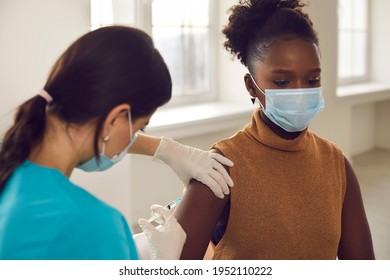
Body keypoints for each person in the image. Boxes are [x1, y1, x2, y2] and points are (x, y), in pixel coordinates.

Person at [0, 26, 234, 260]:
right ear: (115, 119)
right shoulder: (92, 224)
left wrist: (164, 148)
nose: (134, 136)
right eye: (139, 127)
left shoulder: (10, 166)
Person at [174, 0, 375, 260]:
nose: (300, 93)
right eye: (282, 82)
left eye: (312, 80)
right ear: (251, 86)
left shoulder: (337, 164)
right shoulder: (222, 167)